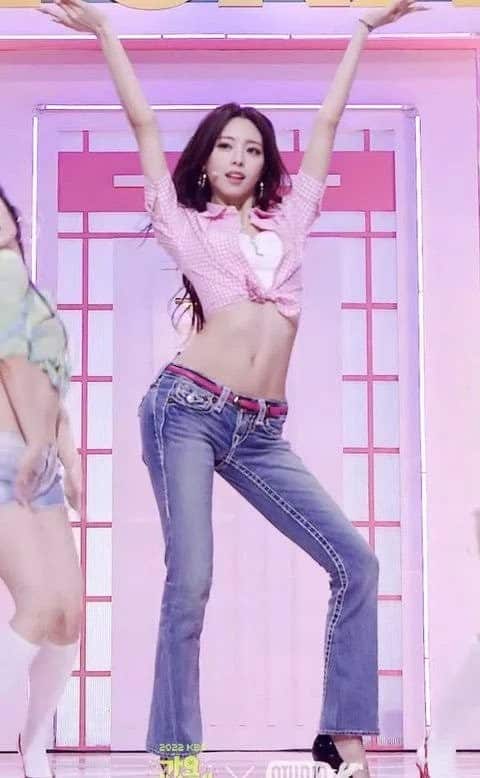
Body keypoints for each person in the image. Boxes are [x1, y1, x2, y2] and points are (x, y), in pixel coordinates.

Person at [40, 1, 426, 775]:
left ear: (265, 164)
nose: (239, 157)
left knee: (357, 562)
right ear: (206, 160)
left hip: (261, 429)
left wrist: (361, 30)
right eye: (225, 145)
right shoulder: (185, 225)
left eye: (252, 148)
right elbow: (145, 125)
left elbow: (326, 123)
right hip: (185, 411)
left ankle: (344, 741)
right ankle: (179, 754)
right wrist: (107, 32)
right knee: (192, 580)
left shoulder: (293, 222)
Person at [0, 187, 83, 778]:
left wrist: (68, 459)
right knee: (37, 605)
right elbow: (9, 368)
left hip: (41, 460)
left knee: (68, 615)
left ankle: (33, 746)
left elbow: (54, 390)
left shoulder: (34, 297)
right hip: (5, 455)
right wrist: (33, 442)